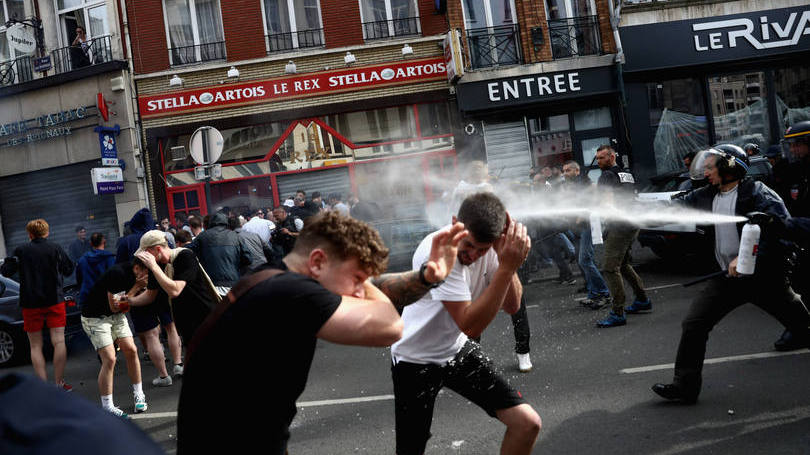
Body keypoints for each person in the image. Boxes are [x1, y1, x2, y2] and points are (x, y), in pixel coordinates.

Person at [176, 211, 466, 454]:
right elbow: (390, 326)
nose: (359, 292)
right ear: (316, 262)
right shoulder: (291, 292)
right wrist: (368, 286)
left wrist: (427, 277)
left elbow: (375, 290)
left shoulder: (268, 278)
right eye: (357, 279)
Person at [651, 145, 810, 404]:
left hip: (764, 279)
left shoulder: (758, 194)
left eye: (710, 167)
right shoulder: (706, 194)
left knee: (803, 326)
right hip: (726, 279)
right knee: (695, 324)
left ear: (729, 167)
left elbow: (781, 232)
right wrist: (635, 211)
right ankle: (685, 386)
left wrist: (747, 257)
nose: (705, 172)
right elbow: (676, 206)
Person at [390, 192, 541, 455]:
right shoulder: (437, 251)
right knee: (410, 450)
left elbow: (512, 306)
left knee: (527, 424)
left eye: (482, 249)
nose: (473, 255)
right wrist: (506, 268)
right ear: (455, 223)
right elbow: (470, 326)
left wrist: (507, 263)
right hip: (415, 359)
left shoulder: (491, 249)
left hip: (456, 349)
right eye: (469, 245)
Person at [0, 219, 74, 390]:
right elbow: (69, 269)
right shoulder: (55, 248)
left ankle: (43, 388)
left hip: (31, 303)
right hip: (54, 300)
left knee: (35, 345)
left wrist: (14, 261)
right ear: (47, 233)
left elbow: (6, 271)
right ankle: (59, 383)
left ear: (30, 234)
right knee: (59, 341)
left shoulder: (21, 250)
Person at [80, 258, 155, 417]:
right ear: (137, 269)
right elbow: (115, 307)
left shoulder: (139, 277)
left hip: (116, 316)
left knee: (131, 350)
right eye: (146, 272)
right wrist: (137, 287)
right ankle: (107, 406)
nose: (148, 276)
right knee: (109, 358)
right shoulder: (118, 274)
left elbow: (123, 308)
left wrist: (137, 291)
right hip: (95, 318)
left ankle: (139, 395)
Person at [594, 145, 651, 328]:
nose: (598, 162)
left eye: (602, 158)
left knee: (610, 268)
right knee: (623, 264)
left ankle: (618, 312)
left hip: (619, 226)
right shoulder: (626, 173)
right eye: (597, 158)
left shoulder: (606, 175)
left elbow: (607, 201)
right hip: (632, 223)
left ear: (611, 157)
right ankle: (642, 299)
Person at [134, 231, 217, 345]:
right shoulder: (157, 265)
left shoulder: (185, 256)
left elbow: (175, 291)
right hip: (186, 322)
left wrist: (153, 266)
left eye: (146, 253)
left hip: (204, 316)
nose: (145, 257)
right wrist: (129, 301)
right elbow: (150, 295)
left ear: (158, 249)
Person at [771, 120, 810, 351]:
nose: (793, 150)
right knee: (800, 283)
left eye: (797, 144)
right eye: (791, 145)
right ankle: (801, 329)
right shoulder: (796, 170)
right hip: (802, 239)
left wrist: (789, 224)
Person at [562, 161, 611, 308]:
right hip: (578, 228)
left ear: (577, 171)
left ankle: (604, 293)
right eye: (563, 171)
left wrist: (582, 216)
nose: (565, 174)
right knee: (583, 260)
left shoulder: (587, 184)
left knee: (584, 260)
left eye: (568, 170)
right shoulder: (571, 186)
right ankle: (593, 294)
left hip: (588, 226)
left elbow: (595, 202)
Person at [187, 212, 250, 296]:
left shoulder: (203, 236)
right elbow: (248, 258)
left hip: (211, 284)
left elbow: (187, 251)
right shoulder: (235, 236)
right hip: (233, 283)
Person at [76, 232, 116, 307]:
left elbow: (79, 280)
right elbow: (114, 280)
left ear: (91, 243)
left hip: (87, 299)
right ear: (104, 241)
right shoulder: (110, 259)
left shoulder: (82, 260)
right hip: (106, 300)